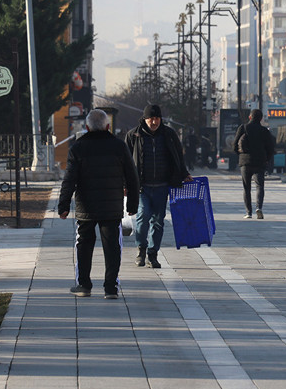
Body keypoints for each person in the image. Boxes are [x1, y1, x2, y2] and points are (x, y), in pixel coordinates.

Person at [58, 109, 140, 299]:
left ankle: (84, 285)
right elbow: (132, 177)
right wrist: (132, 206)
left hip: (85, 207)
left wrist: (63, 206)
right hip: (112, 207)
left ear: (86, 127)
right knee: (112, 246)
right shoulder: (119, 147)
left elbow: (69, 180)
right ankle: (110, 288)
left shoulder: (77, 148)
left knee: (84, 245)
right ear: (108, 126)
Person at [125, 105, 192, 269]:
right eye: (151, 118)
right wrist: (125, 183)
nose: (154, 122)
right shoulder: (134, 135)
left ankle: (152, 254)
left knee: (158, 221)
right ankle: (141, 249)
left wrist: (184, 174)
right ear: (144, 119)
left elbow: (178, 156)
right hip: (142, 186)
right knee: (143, 217)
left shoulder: (169, 134)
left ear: (161, 119)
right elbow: (125, 161)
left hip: (162, 186)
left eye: (157, 118)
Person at [233, 109, 275, 219]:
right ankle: (259, 208)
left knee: (246, 188)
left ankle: (248, 212)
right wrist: (267, 159)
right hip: (260, 162)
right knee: (260, 186)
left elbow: (235, 144)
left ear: (250, 117)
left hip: (245, 162)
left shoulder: (243, 128)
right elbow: (270, 148)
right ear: (261, 119)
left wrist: (241, 155)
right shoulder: (264, 131)